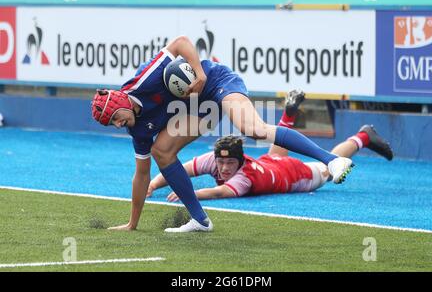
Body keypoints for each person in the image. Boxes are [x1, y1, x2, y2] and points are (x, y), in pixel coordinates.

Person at [91, 35, 353, 233]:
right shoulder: (135, 128)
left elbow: (181, 42)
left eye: (115, 118)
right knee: (161, 151)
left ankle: (331, 160)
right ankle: (199, 220)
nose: (118, 125)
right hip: (198, 110)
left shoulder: (144, 79)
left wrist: (200, 73)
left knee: (253, 129)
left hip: (217, 82)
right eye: (111, 125)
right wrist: (132, 224)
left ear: (121, 102)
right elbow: (142, 174)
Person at [147, 90, 394, 201]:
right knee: (275, 151)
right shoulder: (216, 160)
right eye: (220, 161)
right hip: (270, 164)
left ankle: (364, 136)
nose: (222, 168)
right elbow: (184, 168)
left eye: (229, 163)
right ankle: (288, 116)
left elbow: (220, 192)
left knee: (329, 168)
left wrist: (188, 194)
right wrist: (154, 184)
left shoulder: (243, 180)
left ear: (241, 161)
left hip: (295, 175)